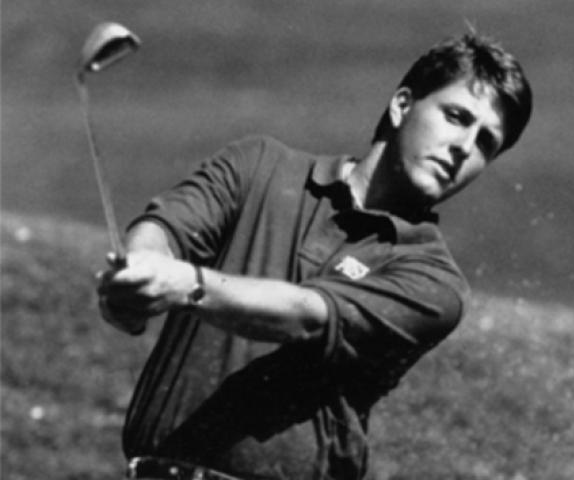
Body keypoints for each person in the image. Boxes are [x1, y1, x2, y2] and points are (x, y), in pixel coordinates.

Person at [97, 32, 532, 480]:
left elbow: (304, 316)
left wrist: (187, 285)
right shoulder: (258, 165)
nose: (464, 147)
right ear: (402, 105)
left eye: (486, 143)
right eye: (457, 117)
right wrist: (141, 270)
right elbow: (166, 228)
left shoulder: (434, 283)